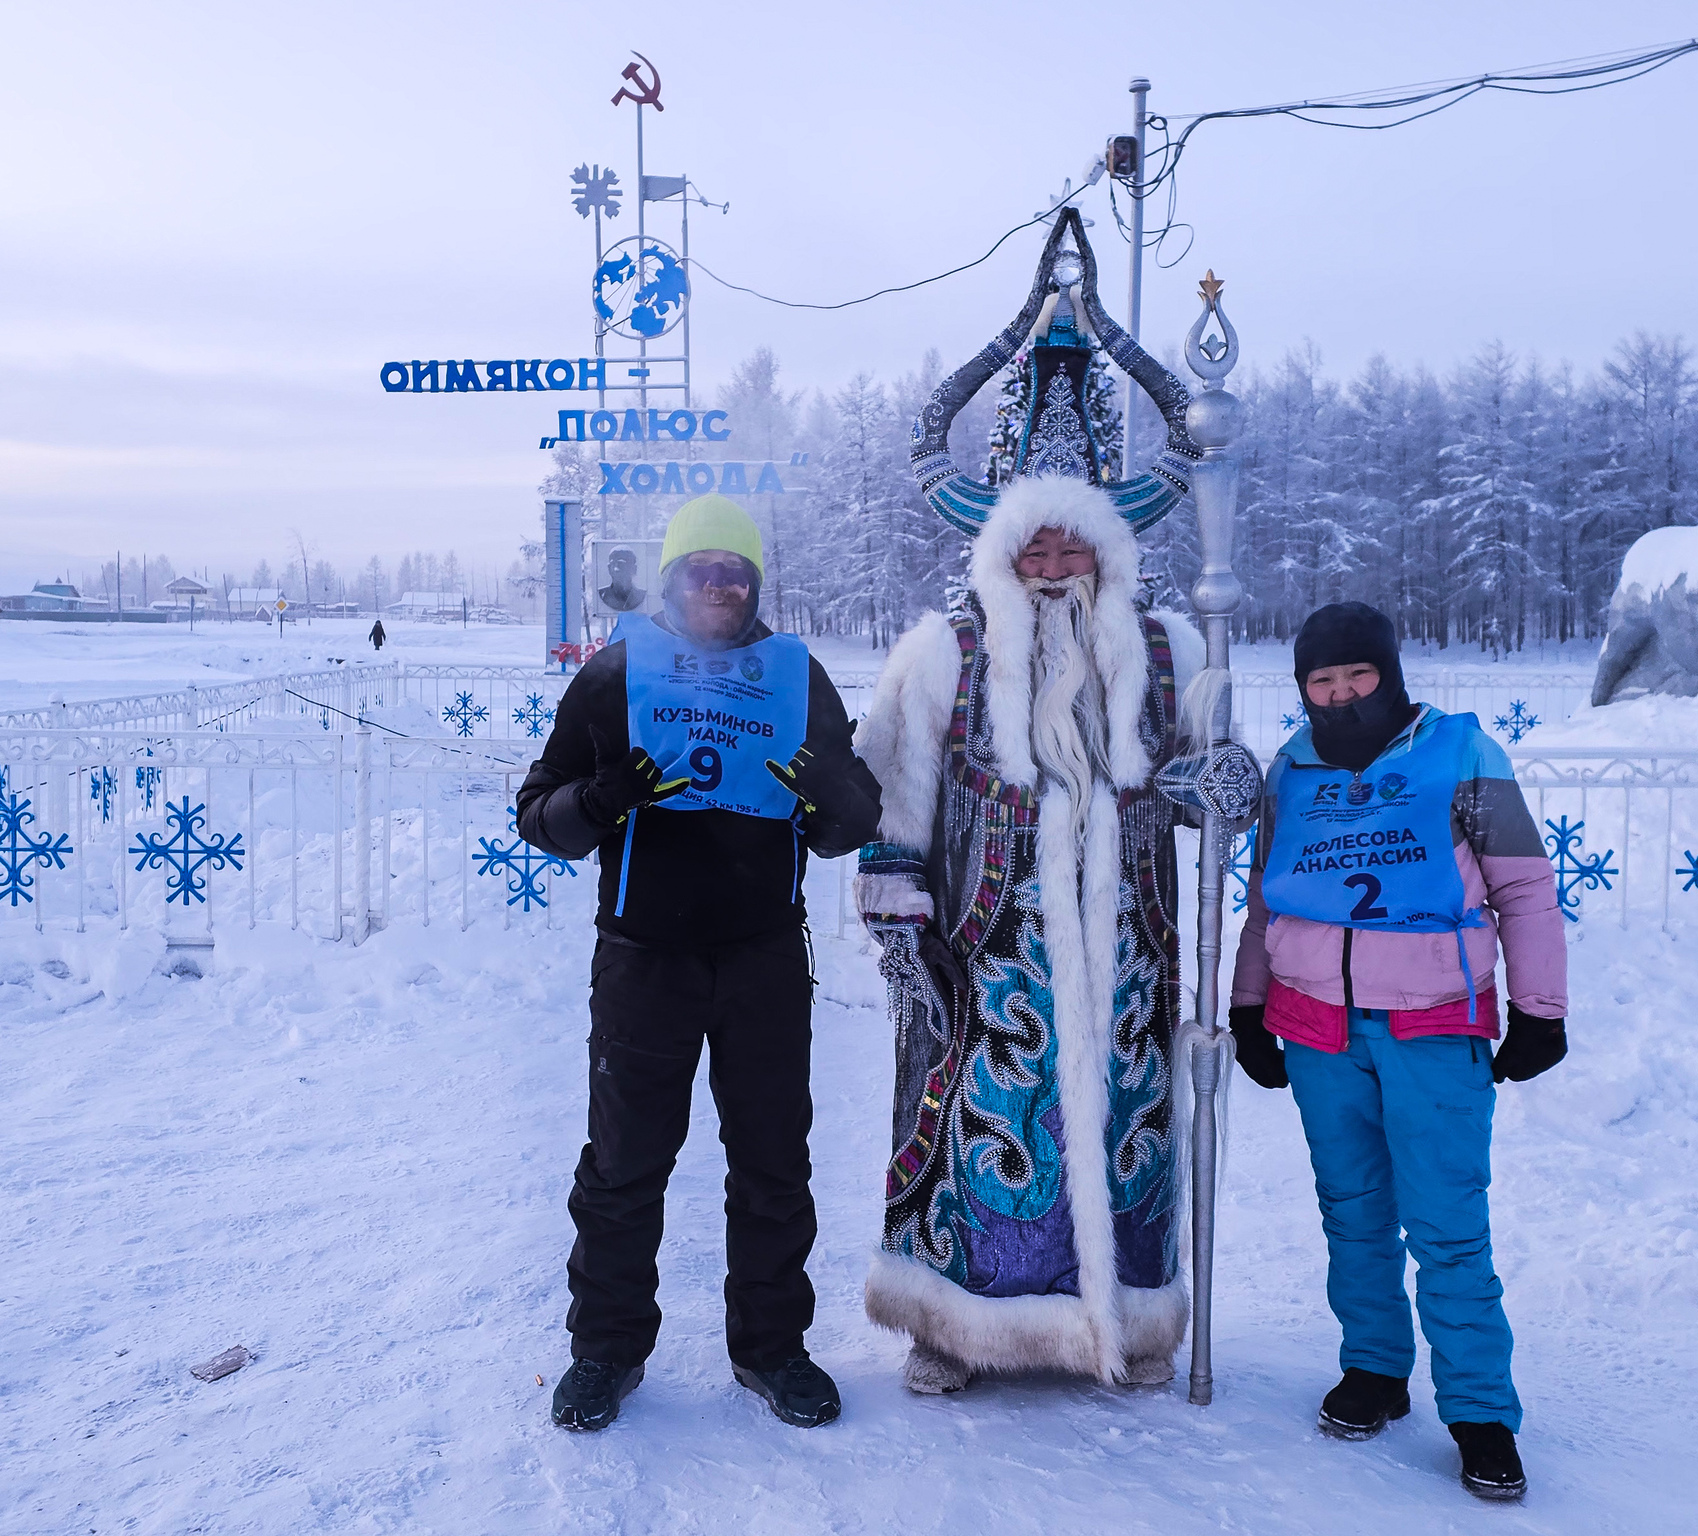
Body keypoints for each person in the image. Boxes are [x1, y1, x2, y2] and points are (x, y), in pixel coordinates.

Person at [854, 476, 1255, 1394]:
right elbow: (897, 798)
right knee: (970, 1121)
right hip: (985, 946)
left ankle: (1132, 1319)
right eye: (1033, 553)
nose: (1052, 570)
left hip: (1130, 947)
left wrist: (1224, 783)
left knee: (1131, 1127)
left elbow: (1211, 782)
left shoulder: (1172, 650)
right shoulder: (945, 655)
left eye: (1071, 550)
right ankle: (952, 1328)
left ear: (1106, 556)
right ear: (1000, 560)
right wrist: (901, 929)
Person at [516, 493, 881, 1433]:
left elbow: (853, 822)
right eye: (701, 571)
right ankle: (605, 1352)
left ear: (756, 584)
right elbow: (537, 814)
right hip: (645, 959)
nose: (719, 587)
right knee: (625, 1165)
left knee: (772, 1164)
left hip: (762, 957)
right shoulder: (617, 672)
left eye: (736, 573)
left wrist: (829, 794)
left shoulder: (795, 677)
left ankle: (772, 1350)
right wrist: (601, 800)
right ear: (673, 580)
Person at [1227, 601, 1568, 1502]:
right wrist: (1249, 1003)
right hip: (1315, 1027)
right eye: (1321, 681)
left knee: (1448, 1224)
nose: (1339, 694)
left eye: (1356, 675)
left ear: (1390, 672)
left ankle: (1481, 1411)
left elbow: (1526, 890)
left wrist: (1540, 1009)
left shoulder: (1460, 754)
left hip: (1433, 1019)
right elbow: (1268, 901)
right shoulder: (1290, 769)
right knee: (1352, 1209)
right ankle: (1375, 1368)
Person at [597, 546, 647, 613]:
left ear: (633, 569)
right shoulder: (603, 594)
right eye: (612, 564)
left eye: (621, 564)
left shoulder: (641, 595)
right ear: (609, 568)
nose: (616, 569)